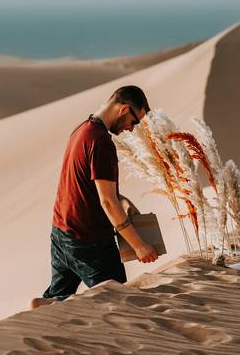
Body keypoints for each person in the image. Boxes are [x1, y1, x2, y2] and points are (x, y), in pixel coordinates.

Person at [31, 86, 159, 309]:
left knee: (56, 309)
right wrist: (139, 246)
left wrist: (125, 202)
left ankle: (49, 304)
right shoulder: (101, 142)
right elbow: (107, 201)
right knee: (117, 299)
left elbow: (91, 186)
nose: (131, 129)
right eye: (134, 121)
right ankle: (51, 303)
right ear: (124, 109)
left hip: (61, 231)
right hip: (89, 239)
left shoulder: (82, 130)